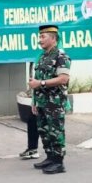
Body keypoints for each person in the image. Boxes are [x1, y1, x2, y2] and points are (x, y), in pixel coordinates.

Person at [28, 24, 71, 175]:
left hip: (55, 102)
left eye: (43, 37)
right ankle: (50, 157)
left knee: (56, 131)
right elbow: (36, 80)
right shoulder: (42, 56)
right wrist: (34, 100)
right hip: (41, 101)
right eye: (39, 37)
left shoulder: (61, 56)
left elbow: (63, 79)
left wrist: (41, 84)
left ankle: (59, 163)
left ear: (53, 38)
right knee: (44, 130)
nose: (40, 40)